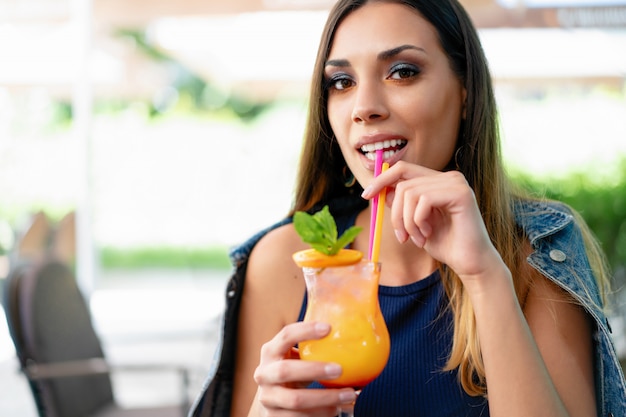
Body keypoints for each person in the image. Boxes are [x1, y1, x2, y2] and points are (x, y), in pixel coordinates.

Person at [189, 0, 626, 416]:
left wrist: (485, 276)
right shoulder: (285, 261)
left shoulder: (539, 252)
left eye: (402, 72)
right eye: (341, 82)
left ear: (465, 93)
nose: (364, 108)